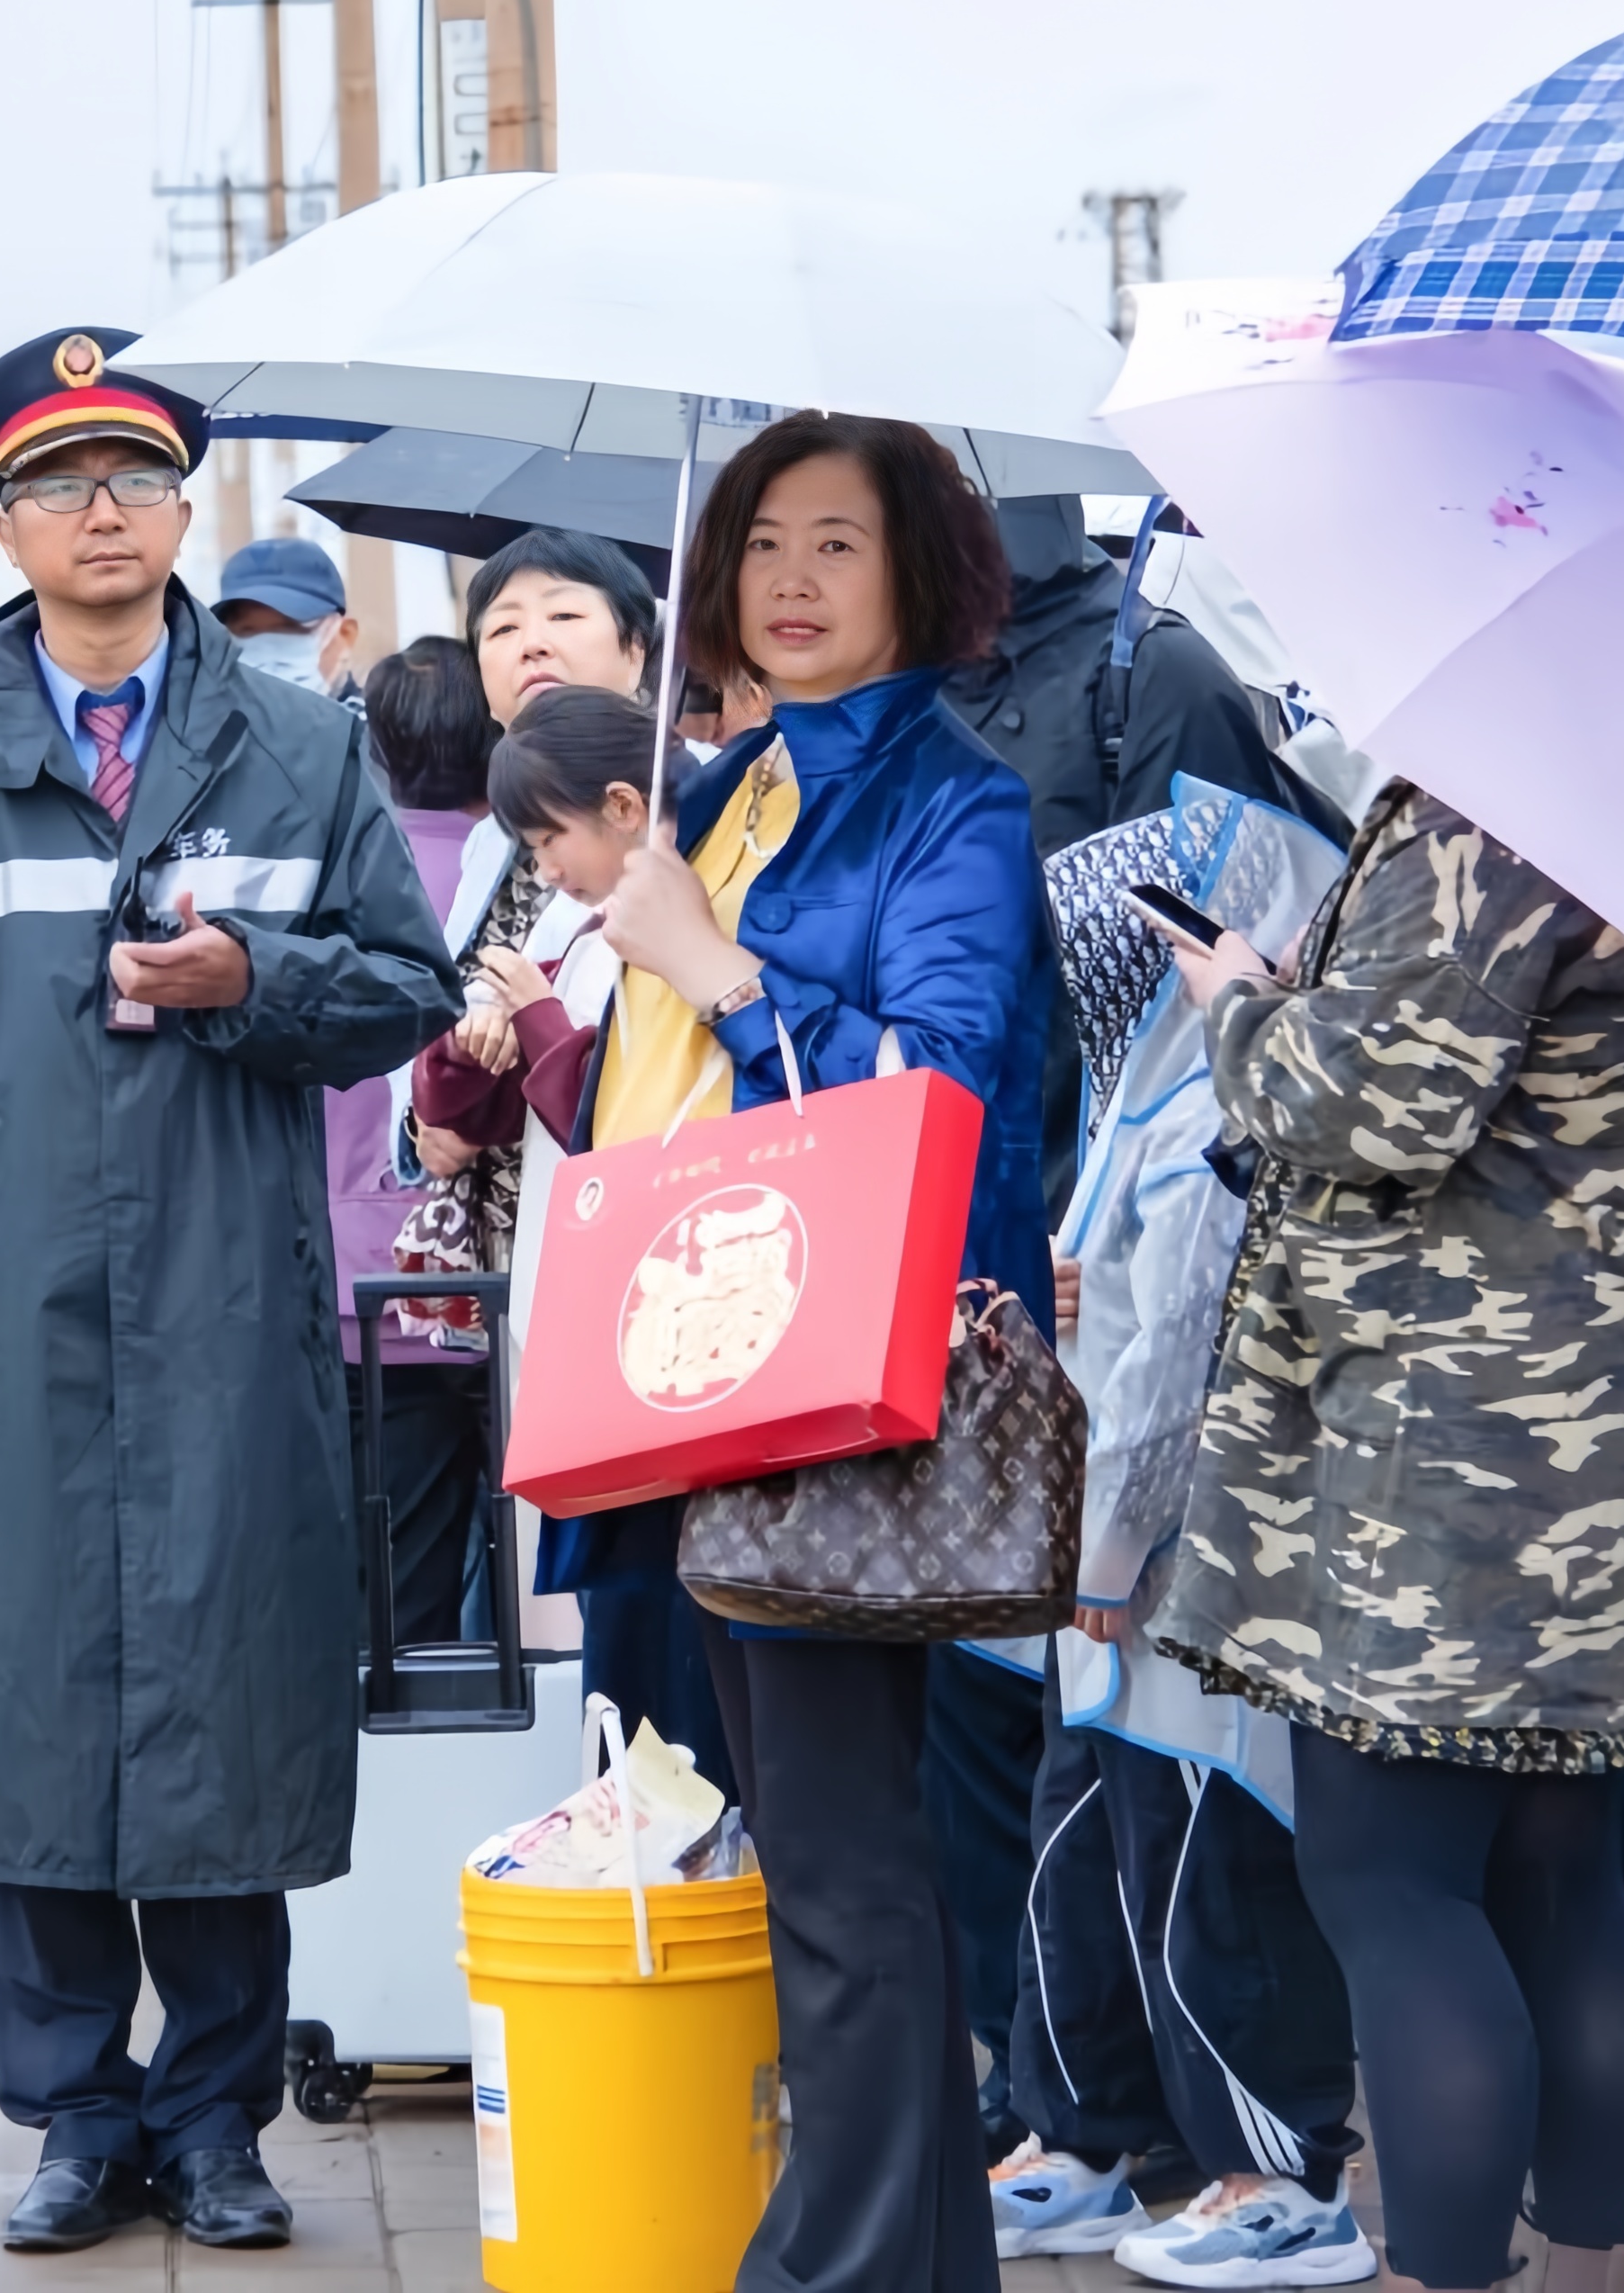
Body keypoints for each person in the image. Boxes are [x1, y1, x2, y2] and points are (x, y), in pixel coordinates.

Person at [0, 329, 460, 2256]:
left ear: (184, 511)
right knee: (36, 1720)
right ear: (2, 522)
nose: (102, 511)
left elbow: (405, 994)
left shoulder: (299, 746)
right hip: (5, 1338)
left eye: (135, 480)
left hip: (232, 1317)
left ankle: (221, 2116)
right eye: (59, 483)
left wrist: (254, 981)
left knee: (233, 1706)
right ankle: (76, 2116)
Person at [1135, 778, 1624, 2293]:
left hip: (1460, 1431)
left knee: (1396, 1885)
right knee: (1559, 1880)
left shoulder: (1500, 796)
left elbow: (1370, 1105)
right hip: (1622, 1424)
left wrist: (1235, 1008)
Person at [585, 409, 1051, 2293]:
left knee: (848, 1876)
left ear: (916, 572)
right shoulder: (733, 784)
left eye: (836, 545)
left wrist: (718, 966)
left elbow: (928, 1087)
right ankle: (908, 2258)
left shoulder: (958, 798)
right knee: (824, 1861)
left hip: (851, 1382)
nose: (787, 580)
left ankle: (837, 2270)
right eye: (764, 540)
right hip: (718, 1367)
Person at [932, 503, 1296, 2173]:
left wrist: (1087, 1222)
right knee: (1046, 1746)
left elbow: (1200, 969)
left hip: (1141, 1271)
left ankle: (1236, 2150)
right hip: (1034, 1254)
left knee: (1166, 1760)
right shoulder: (925, 695)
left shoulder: (1156, 678)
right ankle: (1067, 2104)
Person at [410, 679, 733, 1785]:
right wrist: (469, 1054)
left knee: (666, 1653)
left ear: (624, 805)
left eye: (550, 838)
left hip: (671, 1341)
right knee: (621, 1648)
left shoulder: (704, 906)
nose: (543, 868)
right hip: (585, 1330)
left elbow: (663, 1133)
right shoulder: (573, 915)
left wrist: (544, 1028)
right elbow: (474, 1119)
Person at [345, 635, 509, 1650]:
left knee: (361, 1586)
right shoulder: (518, 878)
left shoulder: (341, 878)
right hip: (477, 1285)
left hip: (337, 1289)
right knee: (483, 1588)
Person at [210, 532, 360, 697]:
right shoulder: (202, 719)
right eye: (247, 631)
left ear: (346, 634)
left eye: (289, 628)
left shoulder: (381, 720)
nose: (266, 648)